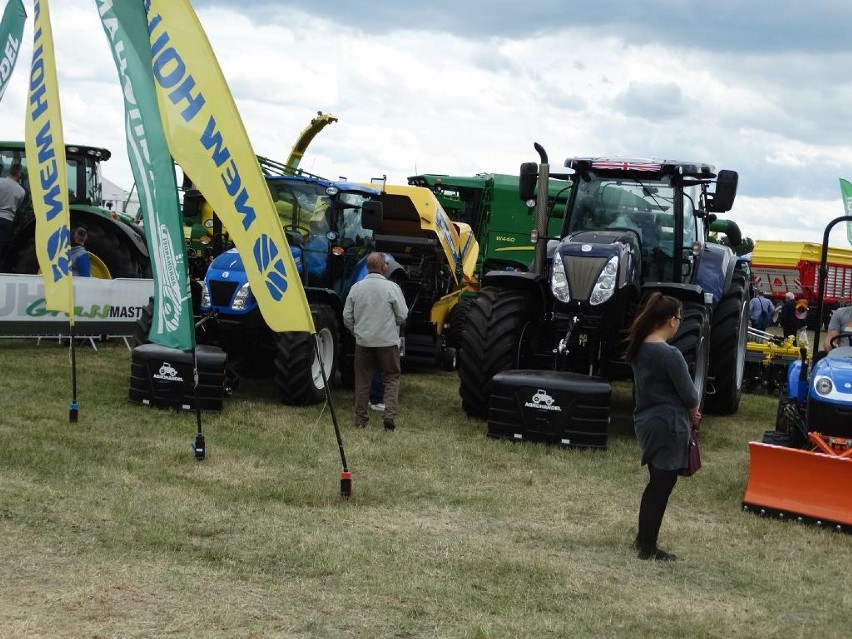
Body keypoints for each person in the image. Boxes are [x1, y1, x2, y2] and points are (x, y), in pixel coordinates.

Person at [624, 292, 701, 561]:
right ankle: (648, 548)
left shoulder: (639, 347)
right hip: (669, 425)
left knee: (654, 484)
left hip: (646, 422)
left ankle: (642, 540)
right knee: (661, 487)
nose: (679, 323)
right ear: (670, 320)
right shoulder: (670, 354)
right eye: (679, 318)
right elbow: (691, 395)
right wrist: (694, 415)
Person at [343, 252, 408, 430]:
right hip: (387, 342)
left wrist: (356, 332)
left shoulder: (356, 287)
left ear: (367, 267)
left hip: (363, 342)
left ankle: (360, 420)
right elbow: (402, 315)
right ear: (383, 267)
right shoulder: (392, 288)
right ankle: (389, 417)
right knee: (391, 379)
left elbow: (347, 316)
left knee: (363, 381)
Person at [0, 164, 26, 258]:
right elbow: (18, 206)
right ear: (19, 174)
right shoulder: (21, 191)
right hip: (7, 220)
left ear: (10, 171)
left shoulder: (1, 182)